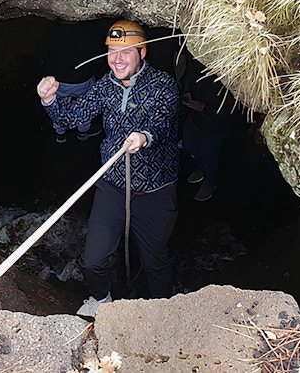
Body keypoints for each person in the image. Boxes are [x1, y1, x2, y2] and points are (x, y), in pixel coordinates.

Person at [37, 19, 180, 317]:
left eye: (125, 52)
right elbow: (74, 116)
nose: (116, 59)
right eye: (112, 51)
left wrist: (144, 137)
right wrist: (49, 99)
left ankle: (167, 313)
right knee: (93, 262)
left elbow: (164, 124)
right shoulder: (105, 85)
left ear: (142, 53)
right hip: (113, 185)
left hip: (155, 190)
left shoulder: (163, 84)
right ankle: (102, 302)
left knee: (156, 261)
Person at [179, 50, 236, 201]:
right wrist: (186, 92)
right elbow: (188, 76)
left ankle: (209, 182)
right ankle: (201, 167)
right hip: (195, 117)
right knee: (188, 145)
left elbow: (232, 110)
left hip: (214, 126)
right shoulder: (200, 61)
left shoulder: (230, 78)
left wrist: (204, 107)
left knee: (209, 159)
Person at [38, 20, 105, 143]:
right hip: (83, 81)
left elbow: (44, 55)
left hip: (59, 82)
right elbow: (99, 58)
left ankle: (60, 134)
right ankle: (82, 132)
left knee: (59, 107)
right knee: (85, 107)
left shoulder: (52, 32)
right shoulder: (90, 32)